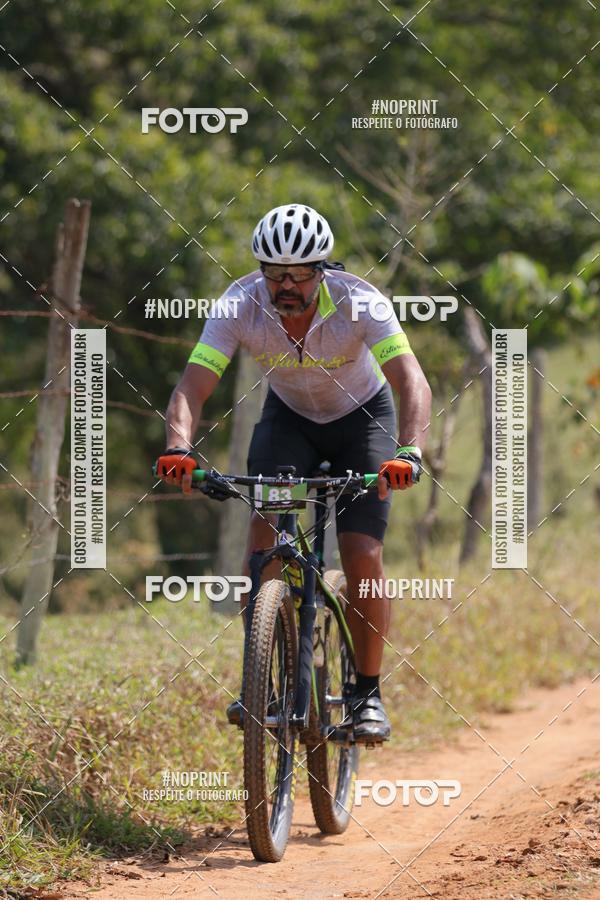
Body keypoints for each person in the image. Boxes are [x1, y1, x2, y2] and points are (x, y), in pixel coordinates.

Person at [156, 203, 432, 742]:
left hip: (364, 420)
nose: (286, 285)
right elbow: (192, 386)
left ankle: (367, 695)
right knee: (263, 543)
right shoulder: (239, 304)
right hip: (289, 421)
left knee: (361, 551)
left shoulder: (360, 302)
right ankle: (262, 680)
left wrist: (410, 452)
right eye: (274, 272)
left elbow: (411, 379)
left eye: (300, 273)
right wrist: (178, 447)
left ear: (322, 270)